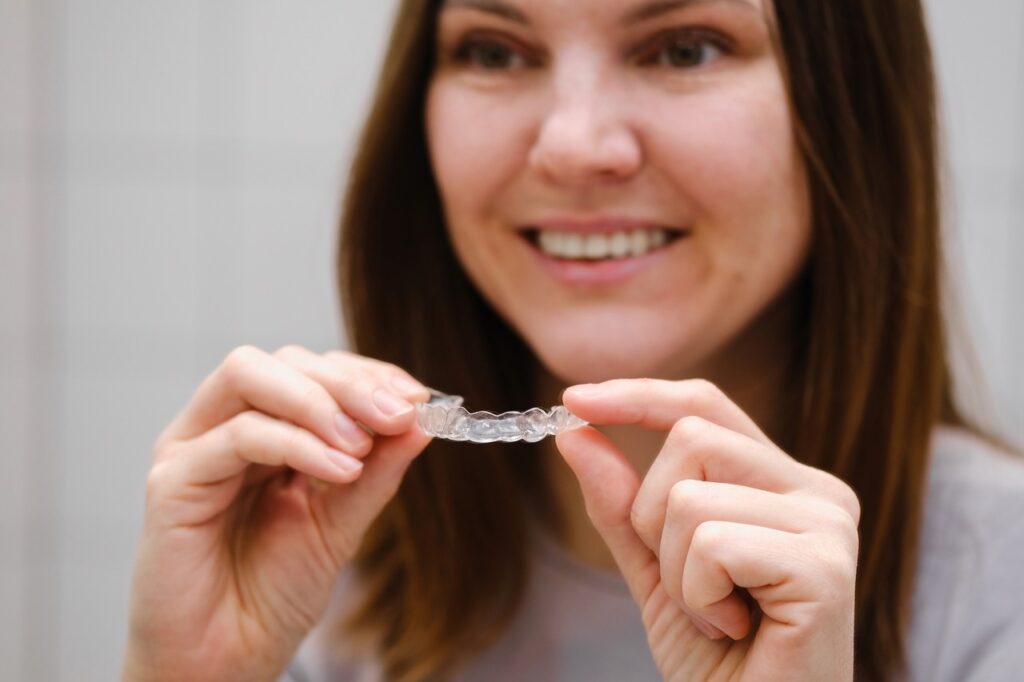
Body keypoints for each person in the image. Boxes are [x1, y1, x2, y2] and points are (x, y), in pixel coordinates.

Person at [121, 0, 1024, 680]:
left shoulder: (1001, 587)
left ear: (851, 110)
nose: (572, 145)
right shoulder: (325, 560)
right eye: (495, 50)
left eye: (684, 47)